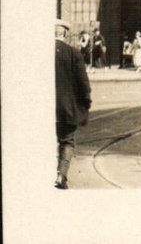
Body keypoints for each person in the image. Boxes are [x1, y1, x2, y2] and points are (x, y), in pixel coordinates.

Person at [55, 20, 92, 189]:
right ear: (65, 34)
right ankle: (61, 176)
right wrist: (85, 104)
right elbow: (84, 84)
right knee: (67, 142)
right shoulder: (73, 53)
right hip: (65, 109)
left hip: (43, 108)